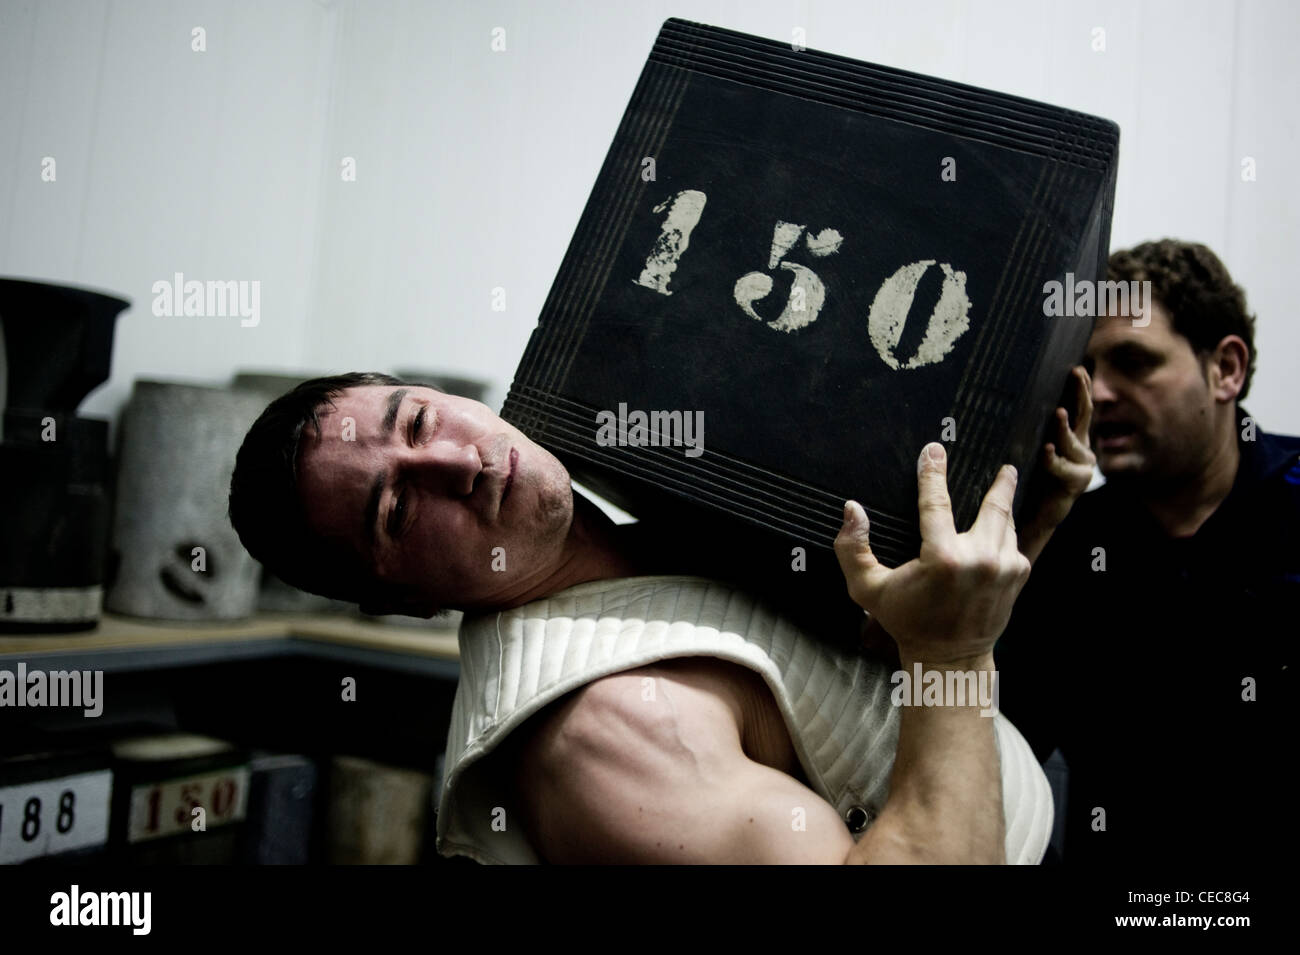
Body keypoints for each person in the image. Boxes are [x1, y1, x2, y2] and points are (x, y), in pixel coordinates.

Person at [228, 371, 1093, 863]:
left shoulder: (643, 528)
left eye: (417, 418)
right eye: (397, 512)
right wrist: (956, 648)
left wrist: (1024, 528)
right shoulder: (606, 734)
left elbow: (851, 674)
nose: (458, 460)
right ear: (405, 602)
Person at [997, 239, 1299, 866]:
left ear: (1227, 369)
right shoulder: (1070, 543)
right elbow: (1002, 753)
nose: (1100, 394)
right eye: (1086, 371)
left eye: (1134, 362)